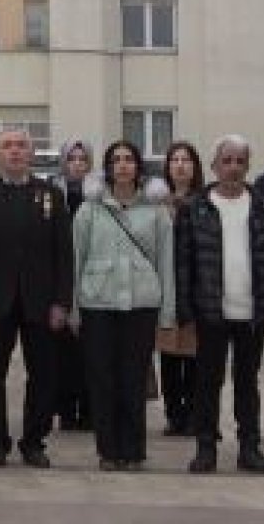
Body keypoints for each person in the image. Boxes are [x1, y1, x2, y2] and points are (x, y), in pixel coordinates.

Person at [0, 127, 72, 468]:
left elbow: (64, 254)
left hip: (41, 301)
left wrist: (61, 301)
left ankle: (34, 441)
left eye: (21, 145)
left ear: (31, 153)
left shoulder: (51, 194)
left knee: (44, 374)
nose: (14, 151)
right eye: (7, 146)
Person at [72, 140, 176, 472]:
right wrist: (73, 307)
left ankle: (133, 450)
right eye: (115, 160)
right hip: (97, 303)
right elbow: (76, 258)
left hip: (142, 303)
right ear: (107, 168)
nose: (122, 165)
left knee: (133, 379)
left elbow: (166, 263)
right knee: (101, 379)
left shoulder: (156, 211)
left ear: (138, 167)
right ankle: (108, 450)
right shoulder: (90, 208)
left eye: (128, 159)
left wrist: (168, 311)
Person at [176, 135, 264, 474]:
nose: (233, 168)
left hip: (253, 312)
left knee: (247, 382)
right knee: (208, 381)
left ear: (248, 166)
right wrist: (185, 311)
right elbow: (183, 264)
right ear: (215, 165)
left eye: (240, 161)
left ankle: (250, 448)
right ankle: (206, 448)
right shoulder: (195, 208)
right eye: (227, 161)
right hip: (210, 312)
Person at [156, 140, 204, 437]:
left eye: (186, 160)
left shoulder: (205, 201)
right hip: (165, 287)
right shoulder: (158, 203)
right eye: (175, 160)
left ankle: (195, 414)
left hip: (197, 289)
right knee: (169, 356)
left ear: (196, 167)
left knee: (196, 356)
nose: (180, 165)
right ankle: (174, 415)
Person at [53, 138, 95, 432]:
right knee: (62, 352)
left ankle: (91, 409)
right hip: (59, 277)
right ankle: (66, 409)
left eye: (82, 158)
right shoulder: (52, 194)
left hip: (92, 278)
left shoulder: (98, 195)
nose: (76, 164)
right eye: (71, 158)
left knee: (91, 352)